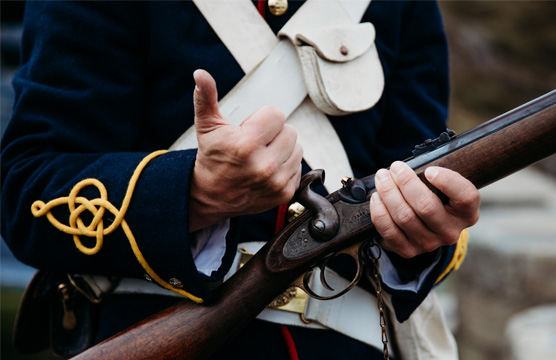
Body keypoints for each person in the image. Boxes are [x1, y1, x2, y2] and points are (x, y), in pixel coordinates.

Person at [1, 1, 480, 359]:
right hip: (144, 333)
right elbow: (27, 195)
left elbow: (416, 169)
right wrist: (193, 192)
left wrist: (424, 229)